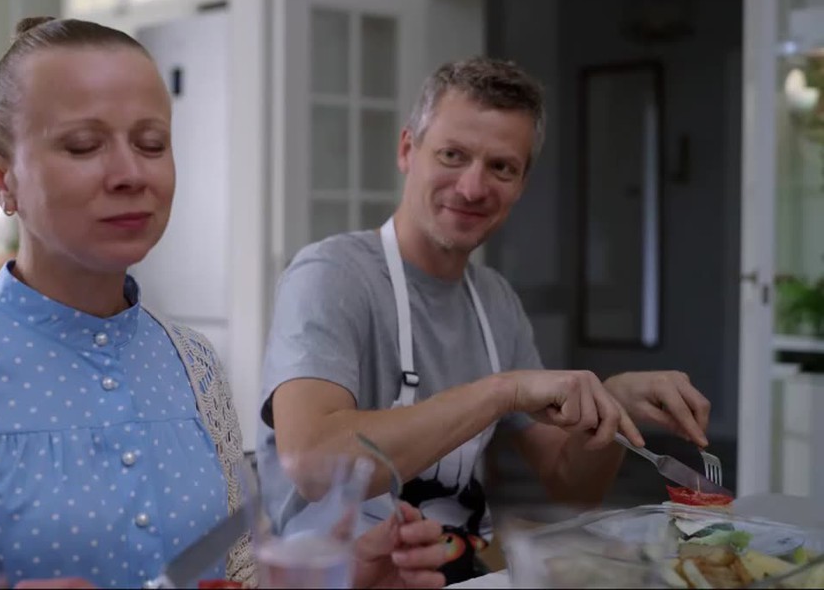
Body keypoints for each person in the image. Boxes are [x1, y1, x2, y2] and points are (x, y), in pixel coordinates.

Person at [0, 17, 449, 589]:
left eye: (151, 144)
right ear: (2, 179)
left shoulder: (194, 366)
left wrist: (346, 576)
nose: (131, 174)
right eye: (83, 146)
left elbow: (233, 575)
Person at [255, 57, 715, 585]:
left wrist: (612, 406)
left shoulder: (494, 300)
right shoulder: (331, 275)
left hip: (462, 575)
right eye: (452, 155)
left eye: (501, 167)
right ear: (407, 150)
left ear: (522, 182)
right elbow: (313, 462)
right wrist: (501, 391)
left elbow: (571, 484)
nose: (473, 188)